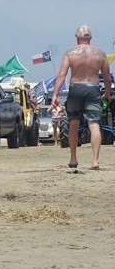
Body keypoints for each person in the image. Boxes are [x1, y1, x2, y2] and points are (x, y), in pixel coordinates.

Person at [52, 25, 112, 170]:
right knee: (94, 124)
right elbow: (106, 77)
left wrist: (55, 94)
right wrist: (108, 92)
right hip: (93, 90)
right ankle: (95, 161)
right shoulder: (100, 54)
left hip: (76, 89)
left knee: (73, 124)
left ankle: (73, 158)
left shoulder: (70, 53)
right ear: (90, 38)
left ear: (77, 38)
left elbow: (61, 75)